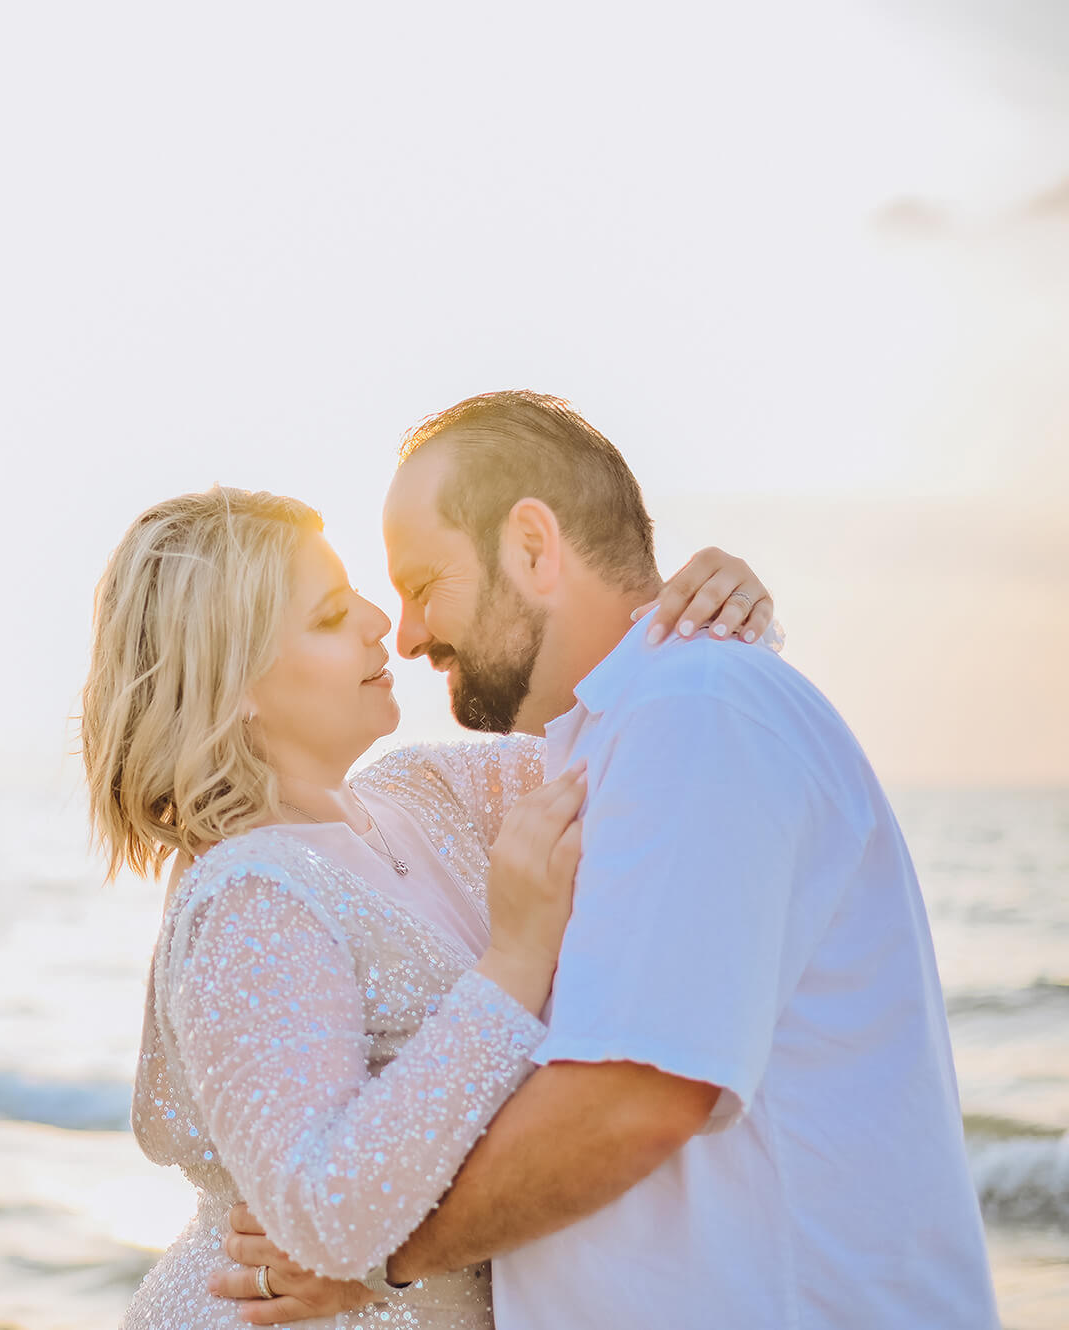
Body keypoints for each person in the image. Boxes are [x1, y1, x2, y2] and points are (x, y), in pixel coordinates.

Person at [216, 391, 998, 1329]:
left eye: (424, 584)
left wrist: (383, 1253)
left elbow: (632, 1102)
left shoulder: (699, 712)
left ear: (535, 549)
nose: (410, 633)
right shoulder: (603, 744)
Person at [82, 485, 777, 1329]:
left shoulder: (422, 792)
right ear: (234, 685)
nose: (383, 620)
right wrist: (514, 964)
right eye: (333, 616)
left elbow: (629, 749)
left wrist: (698, 626)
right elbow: (327, 1212)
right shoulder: (248, 898)